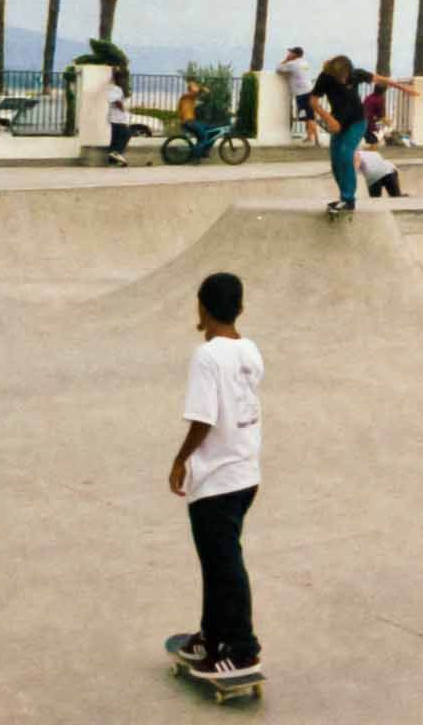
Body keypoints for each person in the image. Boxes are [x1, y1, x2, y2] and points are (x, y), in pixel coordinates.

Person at [168, 271, 264, 681]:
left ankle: (243, 648)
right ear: (240, 308)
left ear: (202, 309)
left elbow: (203, 418)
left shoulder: (206, 356)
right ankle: (211, 635)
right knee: (217, 562)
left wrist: (180, 460)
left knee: (225, 565)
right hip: (245, 474)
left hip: (217, 480)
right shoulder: (250, 349)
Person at [308, 55, 367, 213]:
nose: (343, 79)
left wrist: (403, 88)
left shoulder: (355, 74)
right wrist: (328, 119)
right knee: (336, 163)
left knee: (345, 154)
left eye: (345, 76)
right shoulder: (325, 77)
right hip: (338, 124)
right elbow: (313, 101)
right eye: (340, 77)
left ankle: (348, 200)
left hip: (357, 122)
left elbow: (380, 79)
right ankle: (344, 198)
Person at [276, 47, 316, 147]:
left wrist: (286, 59)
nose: (289, 54)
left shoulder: (292, 64)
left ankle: (311, 137)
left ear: (294, 54)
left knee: (304, 116)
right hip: (310, 90)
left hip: (301, 93)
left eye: (291, 52)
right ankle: (311, 137)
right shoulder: (304, 62)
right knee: (310, 116)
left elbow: (278, 69)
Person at [106, 66, 134, 167]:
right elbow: (115, 100)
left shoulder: (116, 88)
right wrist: (122, 108)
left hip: (115, 119)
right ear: (118, 79)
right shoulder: (116, 88)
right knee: (126, 134)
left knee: (115, 139)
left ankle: (112, 161)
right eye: (123, 78)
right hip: (118, 119)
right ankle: (116, 153)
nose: (124, 81)